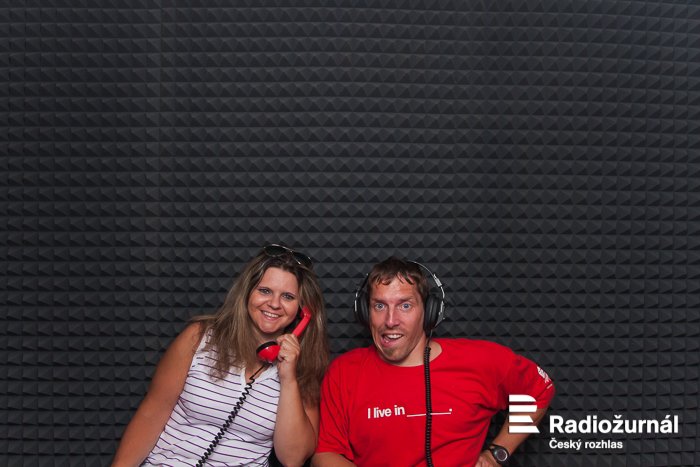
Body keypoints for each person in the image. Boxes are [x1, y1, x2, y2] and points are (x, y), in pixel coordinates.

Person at [313, 257, 554, 467]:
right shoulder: (344, 372)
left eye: (405, 305)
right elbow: (326, 454)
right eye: (379, 306)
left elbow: (539, 391)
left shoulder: (479, 361)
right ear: (365, 313)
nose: (390, 320)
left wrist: (498, 453)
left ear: (429, 312)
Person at [113, 244, 329, 467]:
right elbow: (151, 415)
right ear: (247, 293)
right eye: (265, 291)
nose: (274, 304)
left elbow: (293, 458)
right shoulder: (198, 337)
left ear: (303, 311)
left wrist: (288, 377)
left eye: (288, 296)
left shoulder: (302, 368)